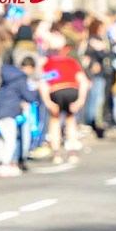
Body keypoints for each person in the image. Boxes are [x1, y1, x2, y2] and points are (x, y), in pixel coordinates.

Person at [39, 32, 90, 164]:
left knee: (54, 120)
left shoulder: (48, 63)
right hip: (72, 90)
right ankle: (72, 151)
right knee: (70, 119)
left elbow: (43, 83)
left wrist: (48, 102)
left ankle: (56, 153)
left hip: (56, 91)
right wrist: (80, 101)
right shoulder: (71, 62)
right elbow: (83, 81)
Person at [0, 59, 40, 176]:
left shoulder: (8, 78)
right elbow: (30, 97)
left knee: (2, 139)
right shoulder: (20, 79)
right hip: (9, 112)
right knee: (10, 140)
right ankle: (6, 165)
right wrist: (37, 89)